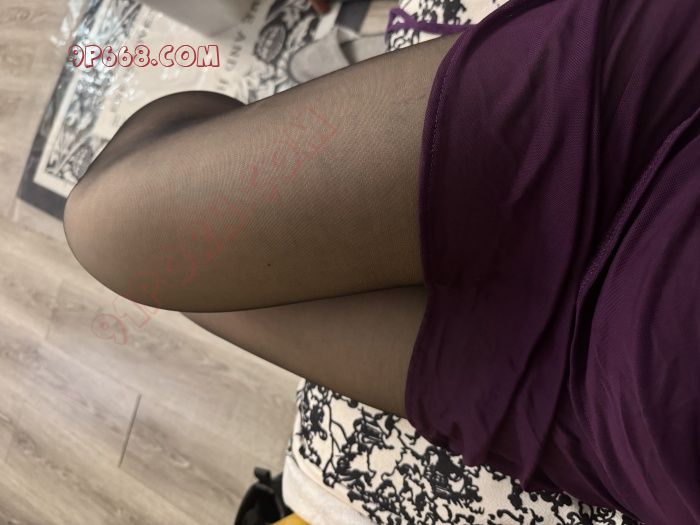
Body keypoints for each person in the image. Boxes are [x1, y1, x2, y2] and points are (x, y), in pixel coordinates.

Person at [63, 0, 700, 523]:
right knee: (122, 226)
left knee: (146, 254)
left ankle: (304, 103)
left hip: (612, 413)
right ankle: (311, 110)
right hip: (660, 123)